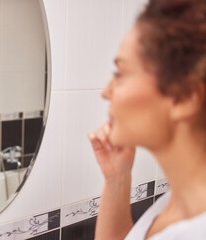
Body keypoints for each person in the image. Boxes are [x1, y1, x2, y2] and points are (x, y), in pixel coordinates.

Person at [88, 0, 206, 239]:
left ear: (182, 99)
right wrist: (117, 179)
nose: (106, 92)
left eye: (120, 74)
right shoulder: (176, 202)